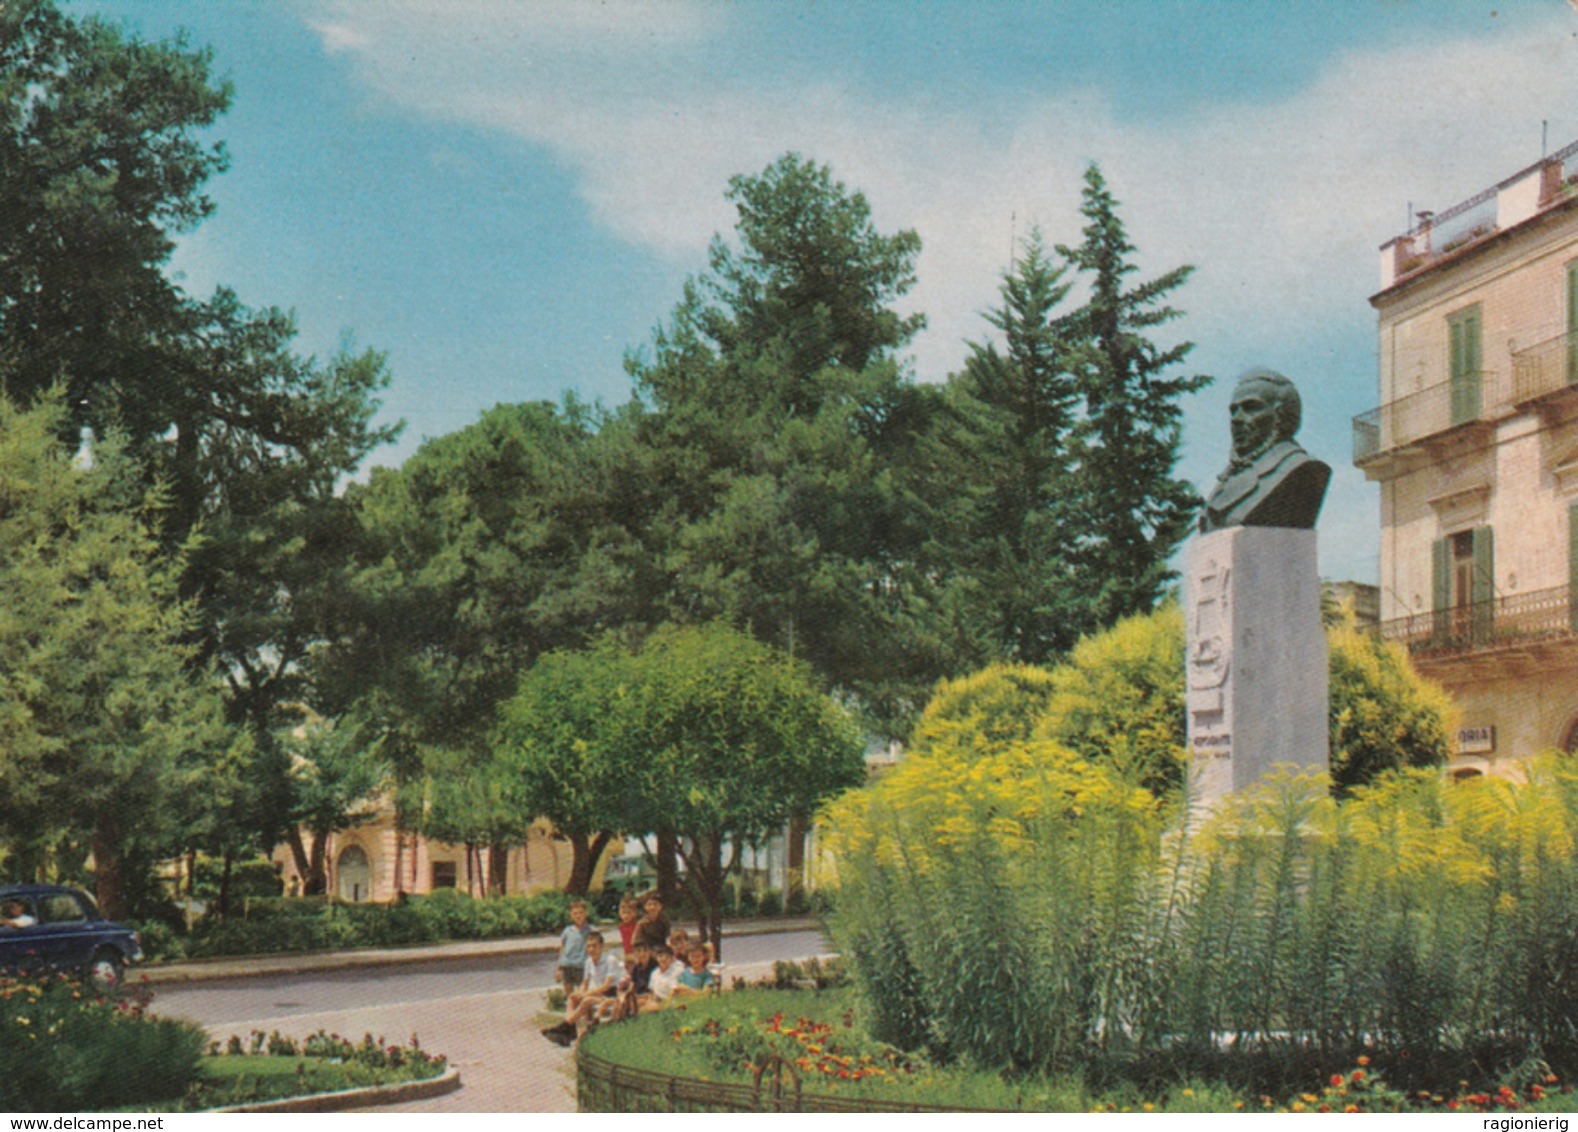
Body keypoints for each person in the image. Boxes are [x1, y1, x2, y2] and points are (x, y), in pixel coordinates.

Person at [1199, 369, 1330, 534]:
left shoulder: (1300, 468)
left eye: (1251, 407)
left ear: (1281, 415)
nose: (1236, 418)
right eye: (1234, 410)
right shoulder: (1229, 476)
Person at [542, 931, 623, 1045]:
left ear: (601, 947)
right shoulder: (589, 962)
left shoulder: (610, 960)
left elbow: (606, 985)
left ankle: (564, 1027)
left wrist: (586, 994)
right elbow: (585, 983)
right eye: (588, 946)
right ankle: (570, 1031)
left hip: (612, 995)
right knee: (572, 998)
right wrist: (579, 993)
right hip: (600, 994)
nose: (591, 949)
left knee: (586, 1000)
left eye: (594, 946)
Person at [554, 900, 593, 997]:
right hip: (567, 964)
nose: (578, 916)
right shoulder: (567, 931)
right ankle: (569, 1009)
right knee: (568, 992)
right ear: (571, 915)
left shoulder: (590, 931)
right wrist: (558, 968)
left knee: (582, 992)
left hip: (581, 965)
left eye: (581, 913)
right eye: (575, 913)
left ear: (586, 913)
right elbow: (562, 948)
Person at [639, 944, 684, 1013]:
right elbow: (652, 992)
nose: (663, 959)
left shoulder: (676, 971)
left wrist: (662, 1004)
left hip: (671, 1002)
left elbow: (675, 991)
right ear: (656, 958)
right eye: (660, 956)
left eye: (667, 957)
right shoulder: (654, 973)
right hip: (657, 1000)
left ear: (672, 958)